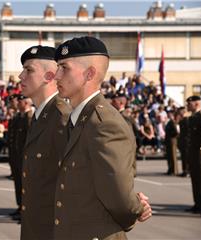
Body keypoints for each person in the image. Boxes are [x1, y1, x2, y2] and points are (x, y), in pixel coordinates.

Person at [53, 36, 152, 239]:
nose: (56, 75)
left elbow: (118, 195)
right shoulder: (81, 118)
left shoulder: (104, 123)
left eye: (64, 68)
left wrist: (136, 209)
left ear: (89, 74)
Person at [18, 45, 71, 240]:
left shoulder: (61, 118)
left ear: (49, 76)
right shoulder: (40, 116)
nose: (20, 76)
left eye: (29, 70)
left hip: (53, 229)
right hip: (36, 226)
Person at [10, 94, 34, 222]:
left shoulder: (29, 117)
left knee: (25, 185)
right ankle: (20, 207)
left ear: (25, 103)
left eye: (20, 101)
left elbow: (29, 140)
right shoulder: (20, 117)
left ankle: (25, 210)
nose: (17, 103)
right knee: (19, 183)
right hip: (17, 156)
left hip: (24, 157)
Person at [185, 95, 201, 214]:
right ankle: (197, 203)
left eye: (190, 103)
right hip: (193, 151)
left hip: (199, 151)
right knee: (195, 178)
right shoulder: (192, 118)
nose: (188, 105)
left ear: (196, 104)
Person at [111, 92, 138, 177]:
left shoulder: (124, 116)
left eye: (114, 102)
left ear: (121, 103)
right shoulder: (120, 115)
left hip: (126, 152)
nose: (112, 104)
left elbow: (129, 137)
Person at [164, 111, 181, 175]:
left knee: (173, 156)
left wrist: (173, 136)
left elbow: (176, 132)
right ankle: (170, 169)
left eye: (170, 114)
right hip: (169, 141)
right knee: (169, 156)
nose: (169, 115)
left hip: (172, 141)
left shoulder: (172, 122)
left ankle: (174, 170)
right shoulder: (169, 122)